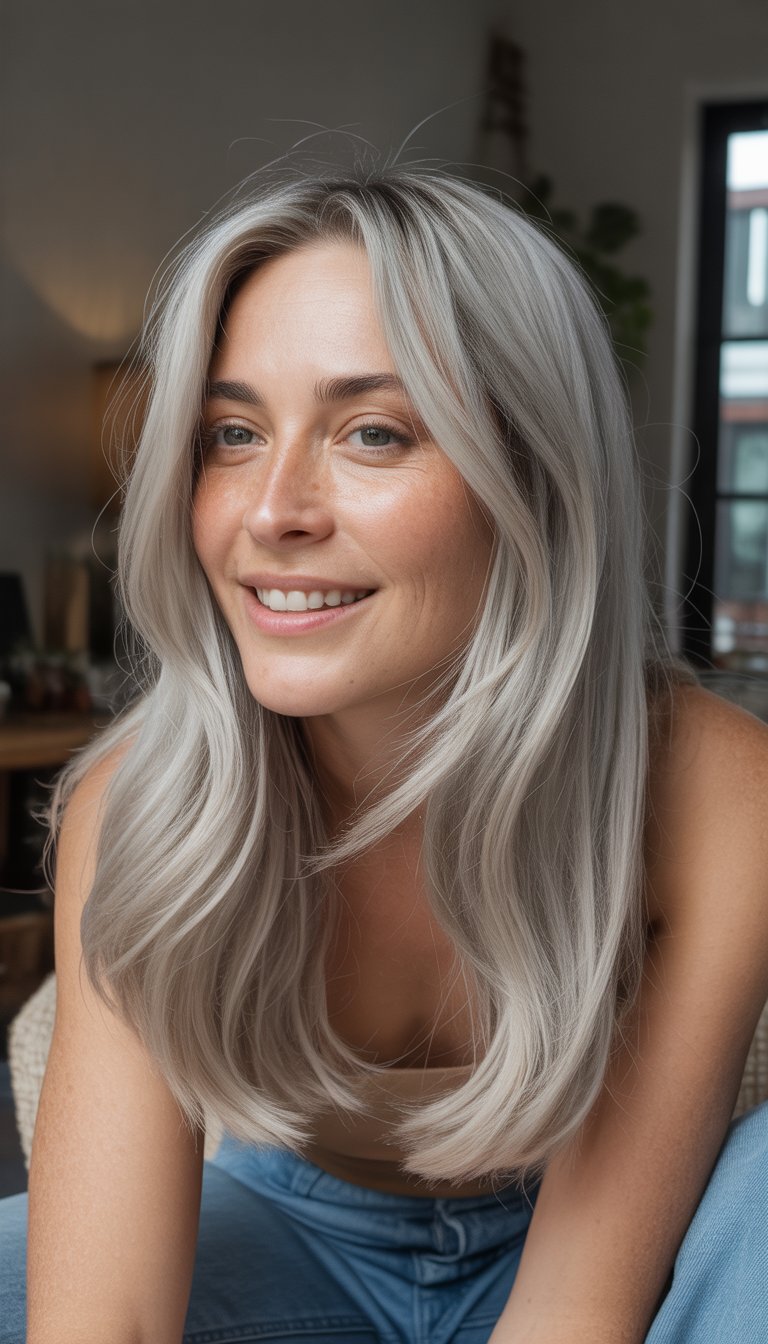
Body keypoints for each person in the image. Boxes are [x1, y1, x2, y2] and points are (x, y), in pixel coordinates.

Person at [1, 163, 767, 1344]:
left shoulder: (716, 787)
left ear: (535, 474)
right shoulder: (139, 800)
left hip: (605, 1248)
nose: (271, 510)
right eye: (234, 432)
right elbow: (105, 1318)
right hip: (293, 1235)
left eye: (372, 431)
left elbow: (580, 1307)